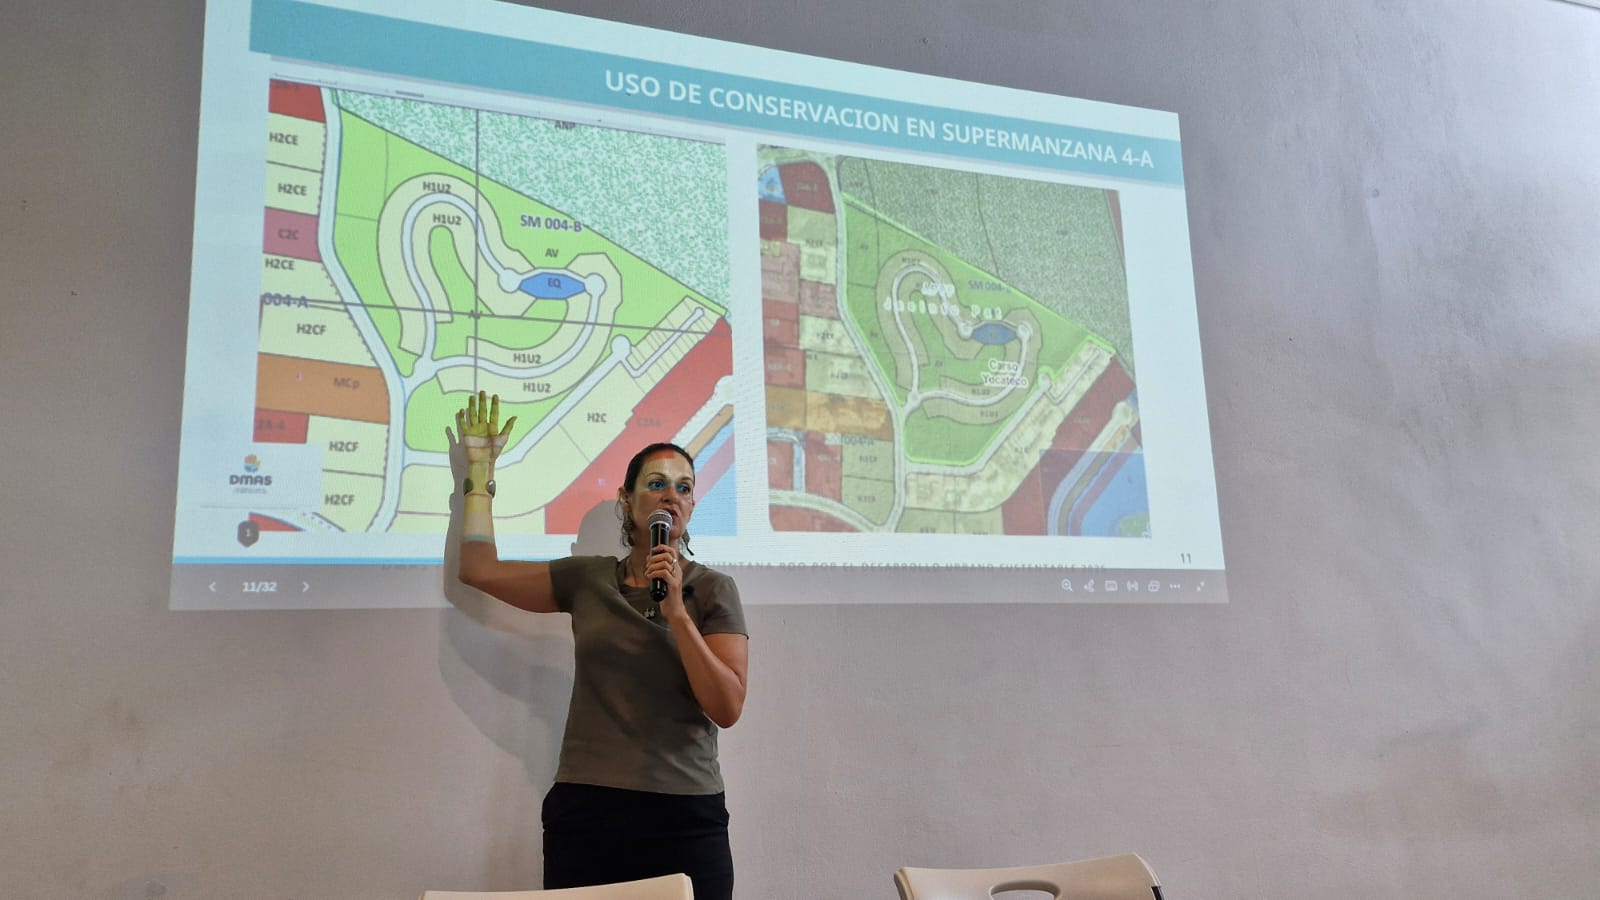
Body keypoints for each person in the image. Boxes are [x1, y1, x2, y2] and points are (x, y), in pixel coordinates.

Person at [454, 391, 749, 899]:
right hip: (590, 811)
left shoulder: (714, 589)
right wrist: (479, 476)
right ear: (626, 500)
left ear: (693, 505)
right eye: (656, 484)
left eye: (684, 488)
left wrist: (677, 612)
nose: (670, 497)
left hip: (686, 814)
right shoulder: (588, 579)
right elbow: (478, 570)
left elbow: (727, 706)